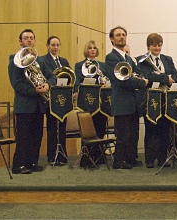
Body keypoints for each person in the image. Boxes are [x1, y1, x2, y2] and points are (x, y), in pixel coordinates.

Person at [8, 29, 53, 174]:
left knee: (37, 135)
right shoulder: (14, 60)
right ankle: (18, 166)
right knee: (23, 137)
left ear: (34, 41)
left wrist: (47, 84)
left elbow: (51, 76)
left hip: (39, 105)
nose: (29, 40)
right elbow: (17, 84)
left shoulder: (40, 60)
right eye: (25, 38)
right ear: (20, 41)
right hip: (24, 106)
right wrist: (35, 90)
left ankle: (32, 163)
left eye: (31, 38)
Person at [104, 26, 148, 169]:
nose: (121, 37)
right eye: (118, 35)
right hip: (122, 102)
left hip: (133, 103)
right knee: (123, 135)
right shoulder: (111, 57)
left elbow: (139, 72)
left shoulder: (128, 58)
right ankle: (119, 161)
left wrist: (138, 78)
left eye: (123, 35)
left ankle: (130, 159)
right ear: (112, 38)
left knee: (133, 134)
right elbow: (120, 80)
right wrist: (140, 82)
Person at [137, 33, 177, 168]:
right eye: (154, 45)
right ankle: (149, 159)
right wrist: (166, 78)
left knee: (164, 131)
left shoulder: (167, 59)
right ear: (148, 46)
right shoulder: (141, 60)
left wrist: (159, 77)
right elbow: (146, 77)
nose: (157, 48)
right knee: (151, 130)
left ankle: (162, 159)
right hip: (149, 100)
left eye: (159, 45)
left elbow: (176, 77)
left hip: (165, 99)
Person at [74, 40, 111, 167]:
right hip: (87, 102)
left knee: (100, 129)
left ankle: (99, 155)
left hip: (101, 103)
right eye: (90, 48)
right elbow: (77, 82)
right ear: (86, 50)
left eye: (94, 48)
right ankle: (87, 157)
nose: (92, 50)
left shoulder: (103, 65)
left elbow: (107, 80)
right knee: (88, 130)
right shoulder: (79, 65)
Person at [39, 36, 70, 166]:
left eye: (57, 45)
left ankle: (62, 155)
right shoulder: (43, 60)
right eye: (53, 45)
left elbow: (70, 77)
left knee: (62, 129)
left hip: (63, 101)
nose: (55, 47)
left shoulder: (64, 61)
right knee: (52, 129)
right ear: (47, 46)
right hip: (50, 100)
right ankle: (52, 156)